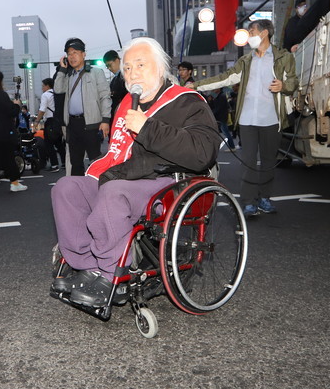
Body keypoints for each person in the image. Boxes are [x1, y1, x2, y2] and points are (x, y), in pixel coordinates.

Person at [51, 37, 218, 307]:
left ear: (161, 68)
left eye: (140, 65)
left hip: (163, 180)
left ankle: (111, 272)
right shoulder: (127, 103)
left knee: (113, 192)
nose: (132, 73)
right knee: (66, 188)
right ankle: (86, 266)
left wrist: (147, 128)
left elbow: (202, 152)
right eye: (127, 68)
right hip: (123, 175)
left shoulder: (186, 102)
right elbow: (116, 154)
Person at [193, 19, 298, 217]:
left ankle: (265, 199)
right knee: (248, 161)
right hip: (247, 119)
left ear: (264, 33)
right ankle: (249, 202)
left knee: (268, 161)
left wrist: (284, 86)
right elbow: (224, 78)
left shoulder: (283, 58)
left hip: (272, 118)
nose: (249, 36)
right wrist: (196, 85)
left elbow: (293, 82)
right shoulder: (245, 61)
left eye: (252, 32)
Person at [53, 37, 111, 176]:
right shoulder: (67, 76)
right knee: (75, 163)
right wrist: (62, 70)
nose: (72, 56)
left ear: (84, 54)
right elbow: (58, 90)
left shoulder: (96, 72)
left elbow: (105, 96)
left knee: (95, 162)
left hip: (91, 124)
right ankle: (77, 194)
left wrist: (105, 120)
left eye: (75, 52)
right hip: (73, 125)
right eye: (69, 54)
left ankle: (98, 192)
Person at [0, 69, 27, 192]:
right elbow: (11, 111)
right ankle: (14, 183)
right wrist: (17, 105)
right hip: (3, 133)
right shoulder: (1, 94)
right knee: (8, 158)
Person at [34, 77, 64, 173]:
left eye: (43, 86)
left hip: (50, 122)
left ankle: (54, 165)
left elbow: (42, 110)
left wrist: (37, 121)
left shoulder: (45, 95)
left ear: (47, 86)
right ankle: (64, 163)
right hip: (59, 121)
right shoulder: (56, 94)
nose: (42, 88)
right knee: (59, 144)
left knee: (49, 144)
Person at [103, 49, 127, 118]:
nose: (109, 68)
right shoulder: (114, 80)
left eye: (110, 65)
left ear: (117, 60)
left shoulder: (127, 76)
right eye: (107, 66)